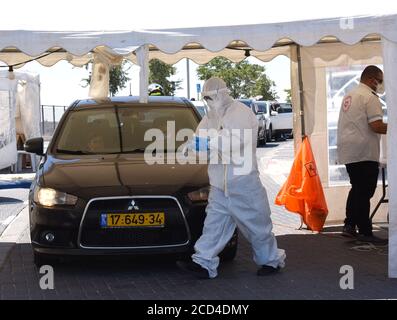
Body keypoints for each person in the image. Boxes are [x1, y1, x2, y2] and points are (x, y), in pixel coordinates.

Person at [177, 77, 286, 279]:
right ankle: (203, 262)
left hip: (243, 184)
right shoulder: (210, 116)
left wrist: (207, 144)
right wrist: (192, 145)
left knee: (257, 226)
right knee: (214, 225)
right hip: (219, 184)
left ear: (222, 94)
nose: (208, 101)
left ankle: (270, 261)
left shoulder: (241, 113)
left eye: (210, 97)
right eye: (205, 97)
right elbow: (201, 138)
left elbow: (233, 140)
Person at [337, 65, 388, 244]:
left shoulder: (350, 94)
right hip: (363, 150)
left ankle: (358, 228)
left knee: (359, 189)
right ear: (371, 79)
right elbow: (377, 126)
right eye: (380, 80)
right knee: (364, 190)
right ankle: (353, 226)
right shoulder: (369, 97)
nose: (381, 84)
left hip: (350, 149)